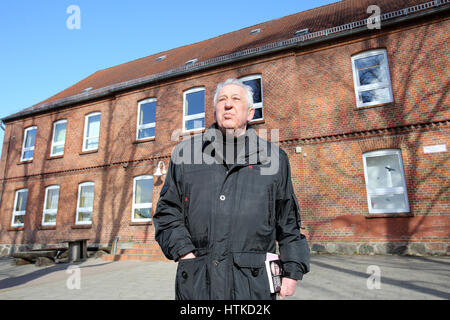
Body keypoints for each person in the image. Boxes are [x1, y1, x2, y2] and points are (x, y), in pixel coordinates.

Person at [154, 78, 310, 300]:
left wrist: (292, 271)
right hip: (198, 284)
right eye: (222, 100)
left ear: (251, 113)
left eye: (236, 99)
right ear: (215, 109)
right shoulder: (185, 154)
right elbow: (167, 212)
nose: (228, 104)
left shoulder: (274, 159)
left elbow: (288, 221)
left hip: (253, 287)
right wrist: (184, 253)